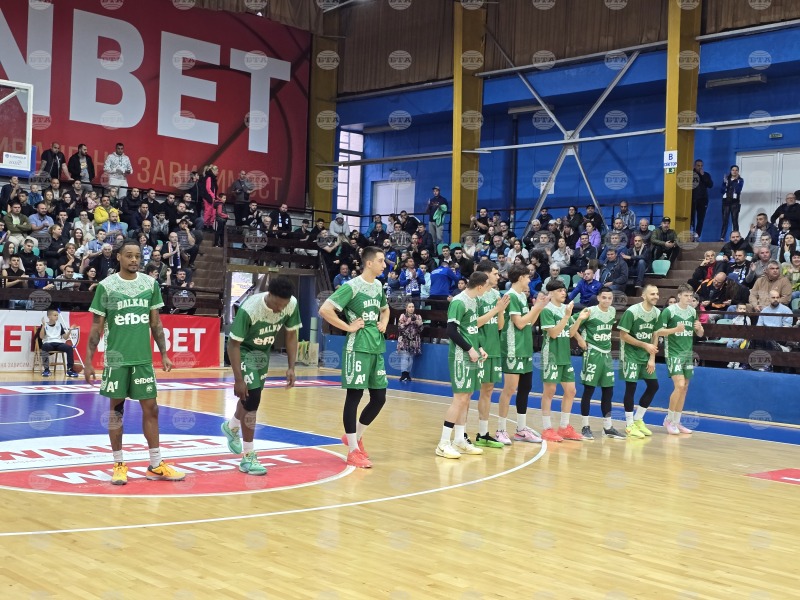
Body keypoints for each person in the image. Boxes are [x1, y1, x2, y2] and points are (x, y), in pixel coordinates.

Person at [85, 240, 185, 485]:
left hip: (142, 359)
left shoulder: (150, 284)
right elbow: (97, 326)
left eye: (137, 256)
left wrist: (164, 353)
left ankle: (155, 465)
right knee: (116, 412)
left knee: (152, 409)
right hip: (117, 360)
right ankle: (119, 464)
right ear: (118, 257)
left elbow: (156, 323)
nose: (134, 260)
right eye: (129, 255)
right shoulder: (106, 286)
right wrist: (88, 361)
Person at [220, 277, 300, 476]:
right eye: (277, 305)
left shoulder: (291, 304)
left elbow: (291, 334)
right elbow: (233, 345)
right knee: (253, 397)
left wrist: (291, 366)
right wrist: (238, 379)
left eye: (283, 306)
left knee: (249, 398)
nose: (280, 310)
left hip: (262, 353)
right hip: (244, 350)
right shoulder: (250, 308)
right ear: (269, 295)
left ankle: (231, 426)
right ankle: (248, 456)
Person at [319, 246, 390, 469]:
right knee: (354, 396)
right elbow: (325, 309)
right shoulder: (351, 286)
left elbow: (385, 309)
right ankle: (352, 451)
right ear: (369, 263)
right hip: (357, 348)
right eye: (381, 261)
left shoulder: (378, 285)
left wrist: (384, 322)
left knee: (379, 398)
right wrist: (348, 327)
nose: (384, 265)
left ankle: (355, 437)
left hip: (376, 347)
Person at [435, 271, 491, 459]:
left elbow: (471, 329)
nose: (488, 289)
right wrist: (469, 348)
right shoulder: (458, 302)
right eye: (487, 286)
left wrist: (479, 347)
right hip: (460, 356)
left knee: (466, 397)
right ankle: (443, 443)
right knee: (459, 399)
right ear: (480, 286)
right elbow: (451, 331)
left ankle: (459, 440)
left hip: (471, 354)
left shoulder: (474, 301)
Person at [494, 265, 549, 445]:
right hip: (513, 348)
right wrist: (536, 308)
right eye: (527, 277)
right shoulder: (510, 296)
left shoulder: (521, 297)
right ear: (520, 278)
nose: (529, 280)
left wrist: (539, 308)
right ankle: (501, 430)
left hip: (525, 348)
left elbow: (529, 322)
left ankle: (521, 429)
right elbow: (518, 323)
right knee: (509, 389)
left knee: (525, 387)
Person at [569, 289, 625, 440]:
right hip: (592, 353)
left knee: (608, 390)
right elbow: (570, 323)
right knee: (589, 390)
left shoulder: (612, 311)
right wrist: (580, 339)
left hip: (606, 354)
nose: (607, 300)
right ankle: (585, 426)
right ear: (598, 298)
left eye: (609, 298)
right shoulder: (589, 311)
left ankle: (608, 427)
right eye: (604, 297)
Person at [472, 261, 511, 447]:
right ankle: (459, 434)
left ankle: (483, 433)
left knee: (488, 391)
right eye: (495, 273)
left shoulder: (496, 294)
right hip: (477, 348)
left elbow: (500, 326)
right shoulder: (475, 295)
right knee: (467, 393)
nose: (498, 276)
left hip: (494, 348)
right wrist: (496, 309)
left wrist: (500, 311)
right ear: (485, 275)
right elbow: (473, 323)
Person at [537, 279, 581, 441]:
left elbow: (570, 333)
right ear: (551, 292)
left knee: (571, 391)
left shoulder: (565, 308)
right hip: (551, 355)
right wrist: (567, 316)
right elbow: (554, 333)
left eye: (564, 290)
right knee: (550, 391)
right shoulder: (547, 310)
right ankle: (547, 428)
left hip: (564, 355)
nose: (564, 293)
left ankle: (564, 427)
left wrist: (579, 320)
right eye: (560, 290)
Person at [657, 284, 703, 434]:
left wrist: (700, 328)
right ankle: (669, 420)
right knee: (680, 385)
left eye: (691, 296)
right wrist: (675, 330)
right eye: (686, 295)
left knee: (685, 388)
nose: (689, 298)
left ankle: (676, 421)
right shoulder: (669, 311)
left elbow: (700, 334)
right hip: (673, 353)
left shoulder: (692, 312)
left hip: (687, 354)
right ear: (679, 296)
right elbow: (659, 332)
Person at [617, 285, 661, 439]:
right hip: (630, 354)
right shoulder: (632, 312)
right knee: (631, 388)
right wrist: (644, 345)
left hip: (646, 355)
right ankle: (629, 425)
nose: (656, 296)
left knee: (653, 386)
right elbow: (623, 335)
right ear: (644, 295)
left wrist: (652, 357)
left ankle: (638, 419)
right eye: (652, 294)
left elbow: (656, 335)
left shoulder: (657, 313)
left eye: (657, 294)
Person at [38, 309, 80, 378]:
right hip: (48, 343)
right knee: (44, 347)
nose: (57, 317)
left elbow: (65, 337)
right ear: (49, 316)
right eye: (55, 315)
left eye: (57, 315)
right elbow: (41, 337)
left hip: (58, 343)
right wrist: (43, 326)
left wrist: (70, 330)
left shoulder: (59, 325)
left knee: (69, 348)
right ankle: (46, 370)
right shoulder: (45, 325)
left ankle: (70, 369)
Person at [397, 302, 423, 382]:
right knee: (404, 356)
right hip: (404, 340)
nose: (411, 308)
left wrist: (419, 324)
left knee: (410, 358)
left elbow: (421, 330)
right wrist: (408, 321)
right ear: (406, 308)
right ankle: (403, 374)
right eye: (410, 307)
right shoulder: (402, 316)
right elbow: (400, 327)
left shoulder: (418, 317)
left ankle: (408, 374)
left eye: (412, 306)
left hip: (414, 340)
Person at [720, 165, 744, 241]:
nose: (734, 171)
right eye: (733, 170)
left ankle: (737, 237)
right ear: (730, 171)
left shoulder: (740, 180)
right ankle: (722, 237)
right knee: (725, 220)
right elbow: (722, 190)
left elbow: (738, 190)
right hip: (726, 202)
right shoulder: (726, 179)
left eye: (736, 170)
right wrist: (725, 184)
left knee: (734, 220)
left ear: (738, 171)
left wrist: (734, 182)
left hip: (735, 203)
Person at [691, 159, 713, 238]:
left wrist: (703, 175)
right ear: (694, 166)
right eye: (698, 165)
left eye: (701, 166)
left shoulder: (706, 174)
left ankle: (697, 235)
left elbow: (710, 185)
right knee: (691, 217)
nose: (700, 167)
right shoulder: (690, 174)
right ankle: (689, 233)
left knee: (700, 218)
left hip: (703, 199)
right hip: (692, 199)